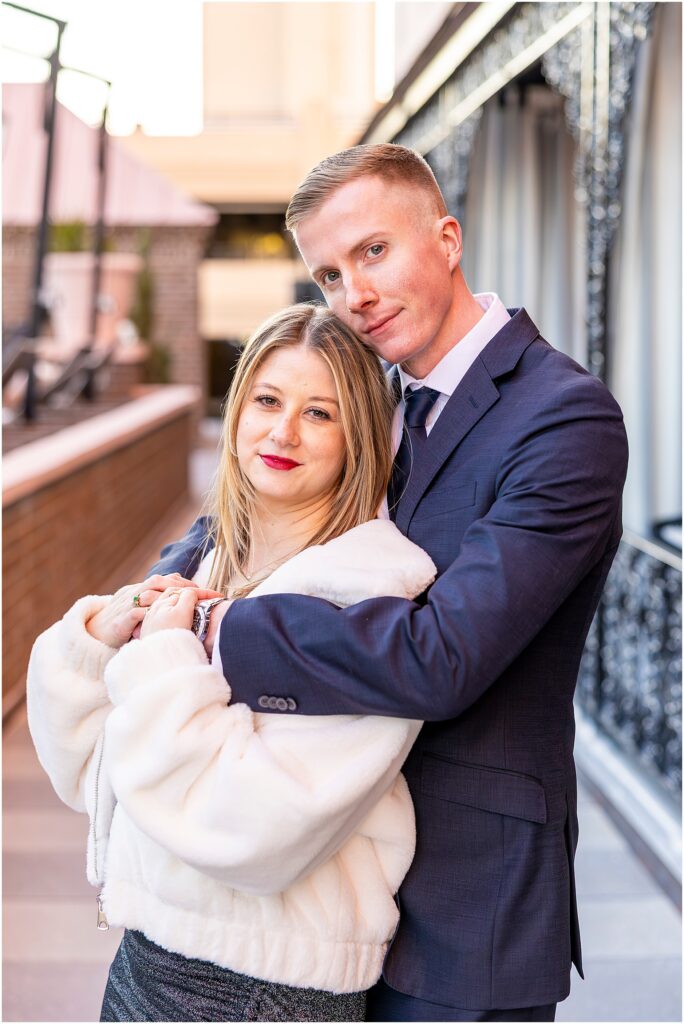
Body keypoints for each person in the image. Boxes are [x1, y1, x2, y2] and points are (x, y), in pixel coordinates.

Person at [152, 144, 629, 1023]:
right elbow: (238, 514)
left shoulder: (564, 417)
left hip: (462, 902)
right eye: (329, 275)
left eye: (373, 252)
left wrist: (218, 629)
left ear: (446, 238)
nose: (354, 296)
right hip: (328, 890)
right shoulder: (367, 394)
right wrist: (158, 595)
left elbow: (445, 656)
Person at [26, 303, 439, 1023]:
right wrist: (98, 638)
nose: (283, 432)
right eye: (268, 400)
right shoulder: (214, 564)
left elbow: (255, 830)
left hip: (261, 988)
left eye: (321, 414)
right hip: (147, 955)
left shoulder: (369, 596)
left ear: (360, 438)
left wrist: (163, 657)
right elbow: (102, 775)